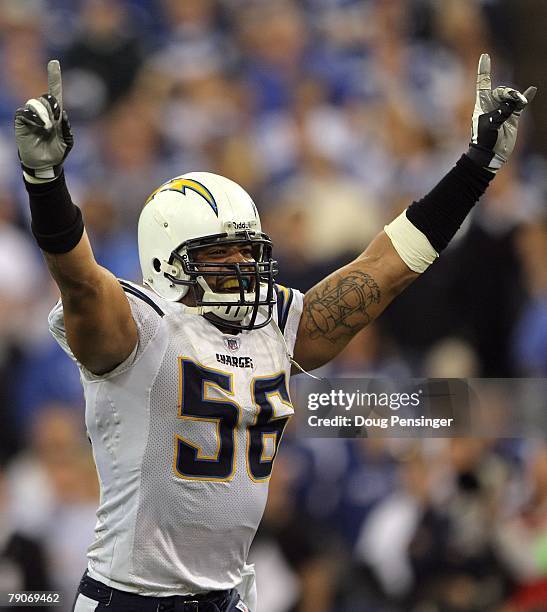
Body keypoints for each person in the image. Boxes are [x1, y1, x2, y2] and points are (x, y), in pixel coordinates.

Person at [14, 56, 535, 612]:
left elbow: (385, 268)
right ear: (167, 263)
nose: (244, 266)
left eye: (250, 250)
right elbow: (81, 282)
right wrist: (47, 185)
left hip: (225, 595)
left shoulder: (274, 327)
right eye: (222, 253)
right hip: (134, 598)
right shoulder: (141, 329)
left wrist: (476, 166)